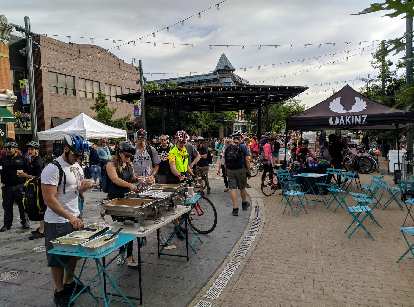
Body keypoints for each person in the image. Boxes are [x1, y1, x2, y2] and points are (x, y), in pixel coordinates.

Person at [41, 134, 94, 307]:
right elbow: (50, 199)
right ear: (66, 149)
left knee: (74, 255)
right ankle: (59, 290)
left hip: (74, 217)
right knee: (57, 258)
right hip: (57, 221)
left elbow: (74, 190)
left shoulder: (77, 165)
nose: (78, 158)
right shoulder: (52, 168)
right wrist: (70, 217)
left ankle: (70, 282)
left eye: (81, 156)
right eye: (76, 155)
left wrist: (83, 188)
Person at [105, 141, 140, 267]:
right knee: (121, 227)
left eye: (130, 156)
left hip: (127, 199)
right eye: (126, 155)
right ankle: (121, 251)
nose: (128, 158)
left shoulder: (128, 163)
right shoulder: (111, 164)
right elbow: (115, 179)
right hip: (116, 201)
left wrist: (143, 179)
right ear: (119, 153)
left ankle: (129, 255)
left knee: (130, 226)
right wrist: (130, 185)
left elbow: (133, 177)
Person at [18, 141, 45, 239]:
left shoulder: (38, 161)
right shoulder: (32, 159)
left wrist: (25, 175)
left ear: (36, 150)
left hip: (38, 188)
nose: (29, 151)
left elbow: (38, 177)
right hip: (34, 187)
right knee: (37, 207)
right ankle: (41, 227)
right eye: (29, 149)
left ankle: (42, 230)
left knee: (40, 207)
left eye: (32, 149)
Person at [0, 141, 28, 232]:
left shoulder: (22, 159)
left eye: (10, 148)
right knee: (7, 207)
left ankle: (25, 222)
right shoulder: (3, 159)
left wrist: (26, 182)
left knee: (22, 206)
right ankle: (7, 224)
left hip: (19, 186)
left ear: (15, 149)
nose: (8, 150)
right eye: (7, 148)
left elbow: (27, 171)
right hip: (7, 187)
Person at [224, 133, 251, 216]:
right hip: (240, 170)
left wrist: (226, 171)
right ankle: (244, 203)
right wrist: (248, 170)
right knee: (242, 187)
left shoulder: (228, 147)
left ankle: (235, 209)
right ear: (240, 139)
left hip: (230, 170)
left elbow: (225, 160)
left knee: (232, 189)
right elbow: (247, 160)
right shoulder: (243, 146)